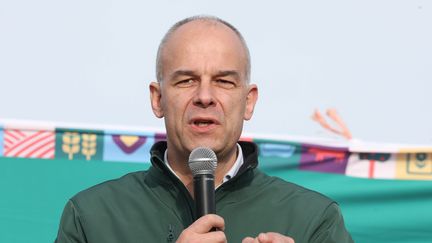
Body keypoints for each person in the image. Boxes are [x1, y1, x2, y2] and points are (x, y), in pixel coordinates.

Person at [55, 15, 354, 243]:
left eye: (224, 81)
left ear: (248, 102)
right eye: (186, 80)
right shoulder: (92, 216)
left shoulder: (314, 219)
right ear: (157, 99)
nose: (205, 96)